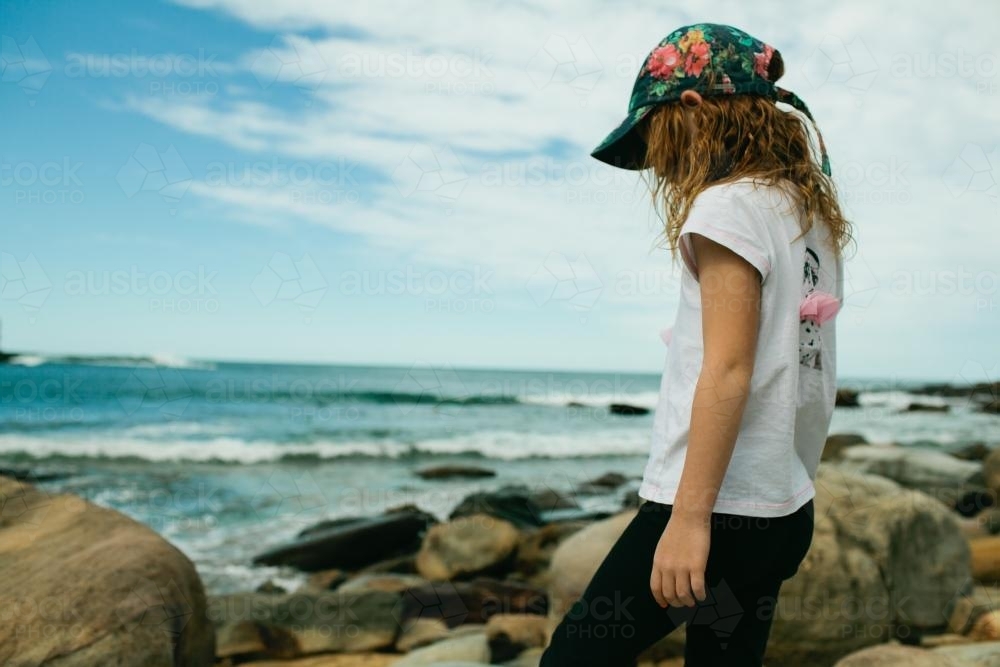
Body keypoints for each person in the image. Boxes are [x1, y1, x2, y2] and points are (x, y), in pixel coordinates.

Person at [540, 23, 853, 667]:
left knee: (573, 659)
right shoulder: (806, 215)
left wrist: (688, 521)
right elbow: (802, 373)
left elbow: (730, 370)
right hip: (782, 504)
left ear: (690, 109)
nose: (659, 162)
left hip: (718, 510)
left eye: (656, 139)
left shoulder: (727, 208)